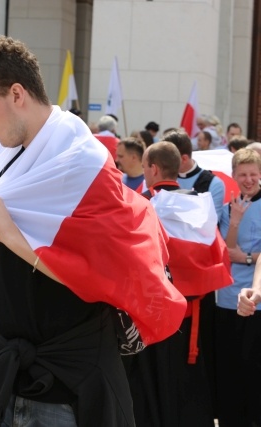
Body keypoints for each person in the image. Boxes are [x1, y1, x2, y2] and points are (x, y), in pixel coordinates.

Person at [0, 36, 186, 427]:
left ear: (16, 93)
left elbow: (98, 276)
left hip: (66, 377)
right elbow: (11, 258)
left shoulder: (83, 163)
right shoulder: (0, 159)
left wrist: (9, 231)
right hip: (1, 366)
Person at [127, 142, 231, 426]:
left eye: (146, 167)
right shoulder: (202, 201)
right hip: (196, 310)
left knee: (152, 386)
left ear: (154, 168)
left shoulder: (143, 202)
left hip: (156, 310)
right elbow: (218, 255)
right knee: (189, 385)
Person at [214, 148, 261, 426]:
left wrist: (246, 257)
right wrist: (235, 222)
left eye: (253, 174)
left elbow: (238, 255)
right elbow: (225, 251)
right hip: (227, 300)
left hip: (258, 302)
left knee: (254, 368)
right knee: (230, 368)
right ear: (233, 176)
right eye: (242, 174)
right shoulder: (226, 208)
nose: (248, 179)